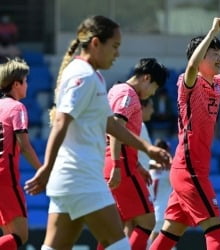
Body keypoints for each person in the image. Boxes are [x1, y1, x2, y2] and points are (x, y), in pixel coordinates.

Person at [23, 15, 171, 250]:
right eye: (114, 46)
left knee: (55, 247)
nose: (117, 54)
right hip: (81, 176)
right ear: (95, 43)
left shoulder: (95, 76)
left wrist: (148, 149)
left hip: (75, 177)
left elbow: (110, 124)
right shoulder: (83, 75)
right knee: (120, 244)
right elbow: (62, 120)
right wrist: (47, 167)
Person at [149, 17, 220, 250]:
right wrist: (212, 31)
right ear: (200, 57)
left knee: (169, 235)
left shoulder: (219, 84)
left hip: (192, 170)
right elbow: (191, 67)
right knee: (216, 230)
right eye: (214, 52)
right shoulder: (187, 83)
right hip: (189, 171)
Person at [100, 58, 168, 250]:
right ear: (146, 78)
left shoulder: (115, 89)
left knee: (115, 229)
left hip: (117, 162)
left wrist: (137, 166)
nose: (152, 93)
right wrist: (117, 165)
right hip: (120, 164)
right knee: (147, 220)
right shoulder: (128, 95)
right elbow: (116, 129)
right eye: (154, 88)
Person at [0, 58, 42, 249]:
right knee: (19, 235)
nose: (27, 85)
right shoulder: (17, 108)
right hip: (5, 178)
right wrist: (43, 171)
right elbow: (24, 146)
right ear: (16, 84)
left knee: (8, 235)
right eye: (25, 81)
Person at [148, 139, 173, 243]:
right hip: (151, 207)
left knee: (157, 240)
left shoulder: (171, 166)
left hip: (162, 209)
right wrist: (158, 166)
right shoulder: (149, 164)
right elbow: (142, 163)